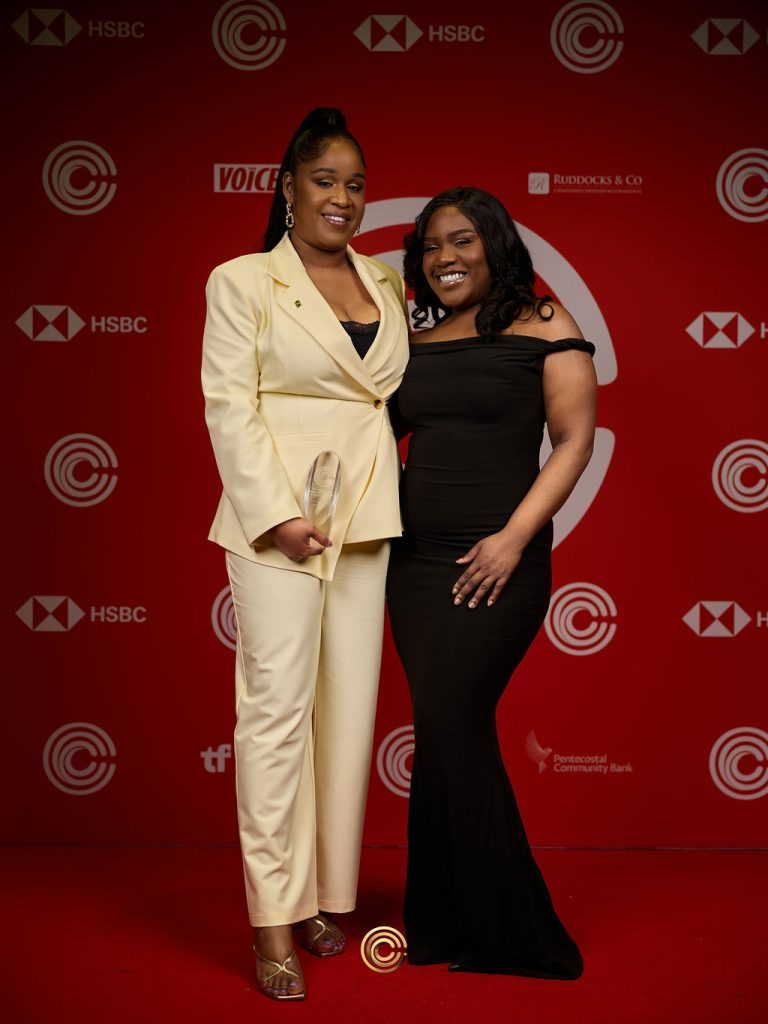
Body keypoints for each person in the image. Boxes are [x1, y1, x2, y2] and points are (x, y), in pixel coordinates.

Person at [201, 108, 409, 1001]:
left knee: (346, 715)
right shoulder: (243, 280)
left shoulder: (385, 282)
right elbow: (228, 405)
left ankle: (321, 896)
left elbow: (391, 399)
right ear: (288, 187)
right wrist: (279, 516)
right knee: (276, 717)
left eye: (355, 185)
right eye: (325, 180)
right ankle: (272, 921)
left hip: (366, 520)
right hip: (278, 521)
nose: (342, 198)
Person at [386, 186, 597, 977]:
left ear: (495, 246)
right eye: (432, 245)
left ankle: (517, 935)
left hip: (499, 563)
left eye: (463, 240)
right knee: (441, 733)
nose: (445, 257)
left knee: (453, 718)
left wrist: (512, 539)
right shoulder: (418, 339)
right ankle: (444, 925)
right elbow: (370, 435)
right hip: (413, 567)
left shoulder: (545, 322)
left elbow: (574, 439)